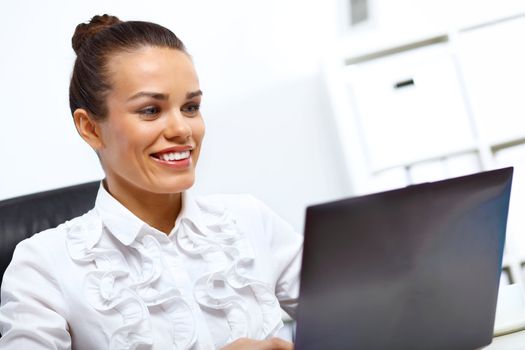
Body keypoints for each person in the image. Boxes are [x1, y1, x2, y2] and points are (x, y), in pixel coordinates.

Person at [0, 14, 302, 350]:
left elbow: (354, 311)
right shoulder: (44, 265)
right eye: (150, 111)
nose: (182, 129)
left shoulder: (249, 220)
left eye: (190, 107)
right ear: (90, 128)